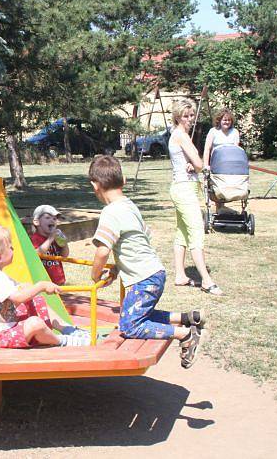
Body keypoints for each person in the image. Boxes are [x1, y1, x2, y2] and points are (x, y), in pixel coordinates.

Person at [88, 154, 205, 368]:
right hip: (154, 272)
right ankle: (188, 317)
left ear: (95, 185)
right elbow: (138, 240)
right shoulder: (129, 205)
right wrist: (119, 265)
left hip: (143, 279)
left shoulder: (110, 212)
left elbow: (103, 250)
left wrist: (95, 275)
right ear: (123, 181)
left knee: (130, 326)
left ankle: (184, 334)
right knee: (140, 313)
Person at [0, 225, 89, 349]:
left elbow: (22, 290)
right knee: (34, 323)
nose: (13, 248)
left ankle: (67, 329)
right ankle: (62, 340)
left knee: (36, 300)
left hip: (7, 330)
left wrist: (30, 288)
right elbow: (18, 297)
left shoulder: (0, 276)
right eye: (10, 247)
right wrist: (41, 285)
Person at [168, 102, 223, 295]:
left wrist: (194, 164)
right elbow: (199, 163)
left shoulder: (177, 135)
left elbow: (194, 163)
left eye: (191, 115)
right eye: (185, 116)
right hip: (184, 189)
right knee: (196, 232)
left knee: (182, 232)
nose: (190, 119)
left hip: (182, 187)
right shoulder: (181, 136)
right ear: (177, 117)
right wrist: (196, 164)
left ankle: (180, 275)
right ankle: (206, 281)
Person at [203, 108, 241, 212]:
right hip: (216, 163)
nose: (227, 122)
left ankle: (222, 208)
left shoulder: (234, 132)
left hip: (230, 164)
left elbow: (236, 149)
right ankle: (219, 208)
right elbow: (207, 149)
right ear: (219, 120)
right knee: (216, 187)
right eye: (224, 120)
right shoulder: (213, 131)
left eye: (229, 120)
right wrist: (206, 165)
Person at [29, 205, 69, 285]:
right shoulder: (35, 238)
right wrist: (51, 238)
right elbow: (37, 254)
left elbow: (64, 255)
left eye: (54, 218)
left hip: (58, 280)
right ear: (36, 222)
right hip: (43, 282)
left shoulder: (55, 238)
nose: (52, 220)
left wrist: (64, 243)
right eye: (47, 217)